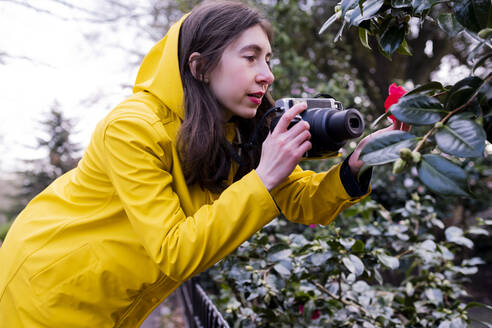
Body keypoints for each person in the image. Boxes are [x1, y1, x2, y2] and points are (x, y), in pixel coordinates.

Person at [0, 1, 409, 327]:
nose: (266, 75)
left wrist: (358, 162)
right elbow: (175, 251)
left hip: (111, 298)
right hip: (46, 291)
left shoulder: (238, 130)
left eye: (269, 60)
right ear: (199, 66)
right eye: (251, 58)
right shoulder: (131, 128)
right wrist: (264, 176)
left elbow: (302, 199)